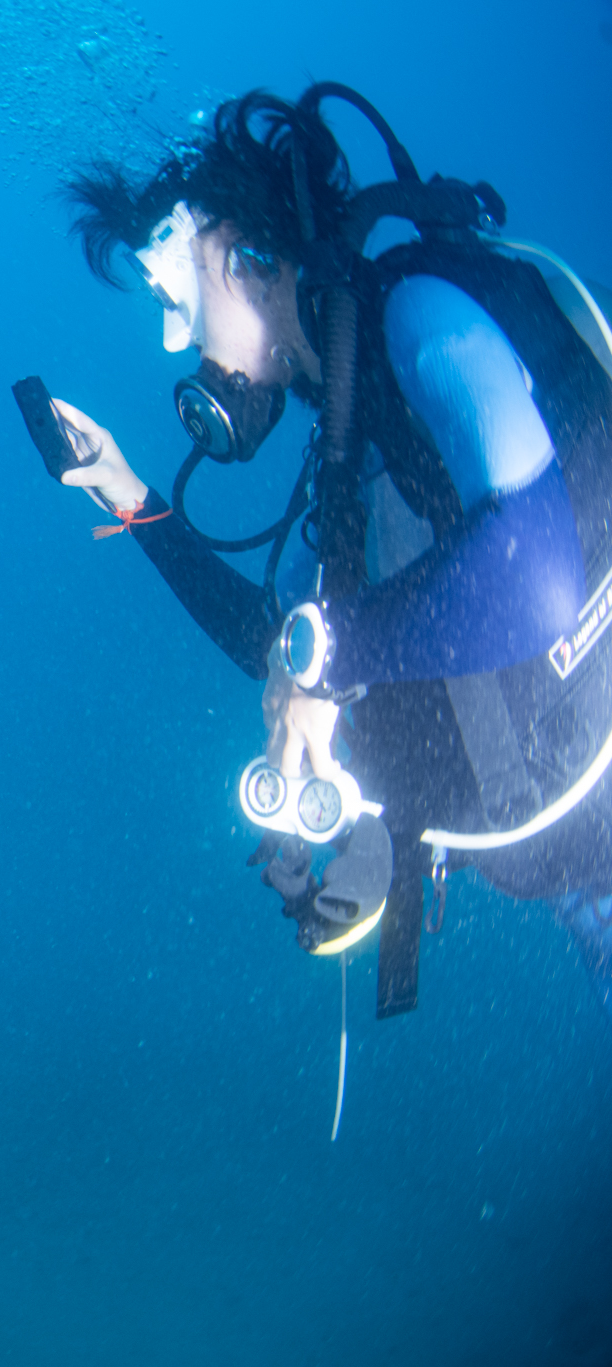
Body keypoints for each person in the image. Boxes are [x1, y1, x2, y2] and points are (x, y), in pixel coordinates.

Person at [48, 83, 612, 1019]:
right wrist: (126, 493)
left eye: (174, 294)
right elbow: (280, 645)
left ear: (240, 254)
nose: (174, 337)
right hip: (579, 881)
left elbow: (537, 581)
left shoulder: (417, 313)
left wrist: (321, 661)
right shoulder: (353, 439)